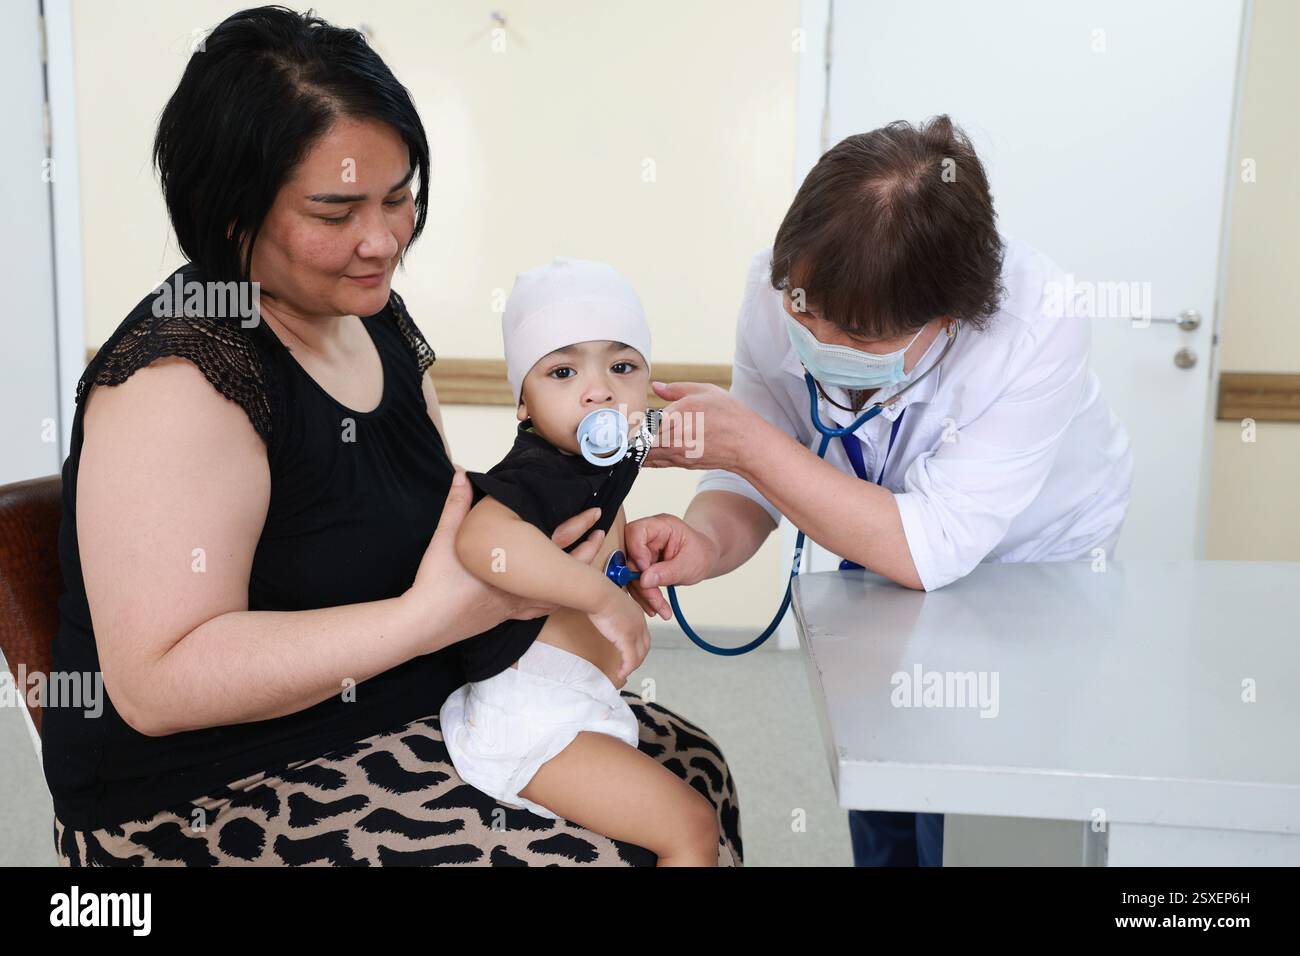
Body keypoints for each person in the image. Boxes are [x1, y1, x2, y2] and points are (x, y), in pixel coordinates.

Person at [43, 5, 741, 867]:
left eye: (400, 196)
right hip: (210, 792)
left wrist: (579, 549)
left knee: (694, 771)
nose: (382, 241)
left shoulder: (368, 318)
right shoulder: (179, 378)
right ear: (232, 214)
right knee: (604, 855)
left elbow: (434, 522)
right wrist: (424, 619)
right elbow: (156, 684)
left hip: (398, 698)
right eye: (335, 212)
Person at [624, 116, 1133, 867]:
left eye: (860, 338)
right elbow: (750, 473)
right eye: (806, 310)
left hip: (1031, 559)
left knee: (967, 779)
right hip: (878, 529)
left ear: (949, 319)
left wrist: (750, 443)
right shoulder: (780, 283)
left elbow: (928, 545)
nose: (820, 340)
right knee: (881, 753)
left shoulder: (1036, 321)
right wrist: (705, 543)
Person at [440, 257, 723, 866]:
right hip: (532, 714)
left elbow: (589, 537)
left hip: (578, 701)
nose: (599, 390)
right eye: (564, 371)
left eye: (623, 367)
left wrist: (620, 574)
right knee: (690, 829)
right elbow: (483, 543)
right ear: (524, 404)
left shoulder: (596, 462)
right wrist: (596, 599)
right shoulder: (538, 469)